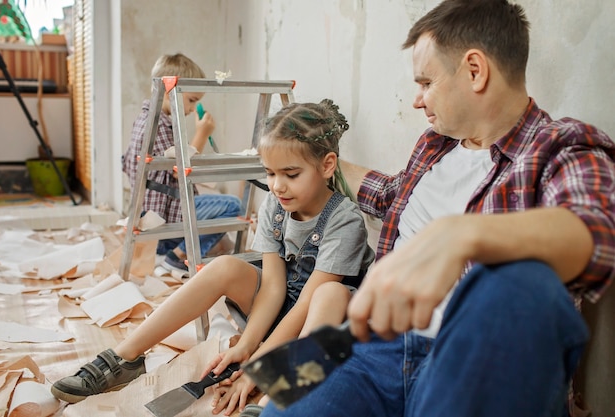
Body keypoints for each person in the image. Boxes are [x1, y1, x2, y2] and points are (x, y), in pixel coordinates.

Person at [259, 1, 615, 417]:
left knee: (520, 282)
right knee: (280, 400)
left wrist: (461, 236)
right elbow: (389, 194)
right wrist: (316, 161)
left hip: (471, 353)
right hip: (372, 341)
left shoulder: (562, 146)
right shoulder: (433, 146)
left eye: (425, 82)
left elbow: (596, 233)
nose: (416, 100)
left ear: (475, 70)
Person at [51, 99, 376, 414]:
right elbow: (274, 288)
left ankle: (274, 402)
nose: (278, 186)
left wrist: (259, 367)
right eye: (270, 173)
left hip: (321, 322)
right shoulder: (275, 205)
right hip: (280, 309)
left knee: (329, 294)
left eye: (291, 174)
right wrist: (247, 347)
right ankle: (125, 357)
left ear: (327, 165)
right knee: (225, 267)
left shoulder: (344, 220)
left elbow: (306, 305)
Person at [121, 53, 242, 276]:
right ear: (170, 90)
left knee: (220, 238)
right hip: (166, 215)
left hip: (154, 214)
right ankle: (177, 256)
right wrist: (202, 134)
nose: (192, 107)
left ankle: (169, 250)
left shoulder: (145, 119)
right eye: (192, 100)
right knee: (234, 207)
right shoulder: (159, 125)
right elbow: (181, 172)